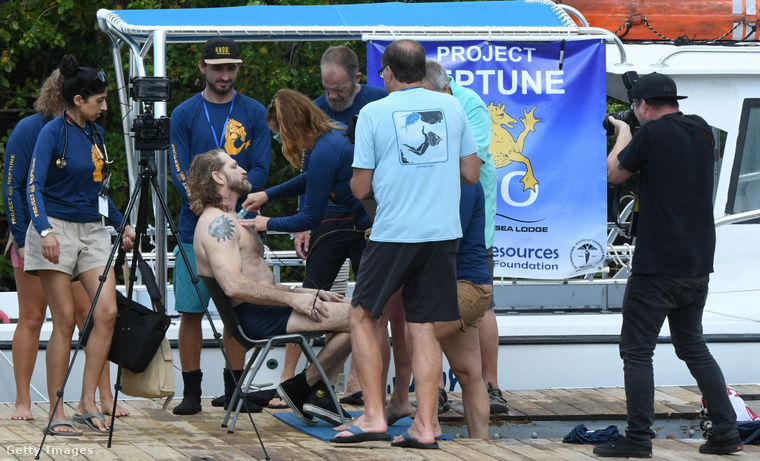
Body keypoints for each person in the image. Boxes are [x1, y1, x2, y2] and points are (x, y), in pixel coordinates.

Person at [332, 39, 480, 448]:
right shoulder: (452, 106)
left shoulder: (374, 112)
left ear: (389, 73)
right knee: (424, 328)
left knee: (362, 315)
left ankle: (375, 415)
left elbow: (360, 185)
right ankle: (425, 426)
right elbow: (471, 172)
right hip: (443, 232)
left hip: (395, 231)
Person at [593, 72, 742, 457]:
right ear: (674, 101)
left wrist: (624, 132)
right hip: (696, 263)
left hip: (658, 265)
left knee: (637, 350)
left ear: (642, 106)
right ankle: (726, 433)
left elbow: (614, 173)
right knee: (693, 345)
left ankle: (638, 439)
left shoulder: (650, 133)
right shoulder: (703, 131)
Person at [186, 148, 352, 426]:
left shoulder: (228, 218)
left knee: (361, 310)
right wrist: (292, 301)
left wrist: (301, 293)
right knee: (363, 316)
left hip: (268, 310)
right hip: (257, 318)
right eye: (234, 166)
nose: (243, 170)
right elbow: (233, 285)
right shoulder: (217, 223)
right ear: (218, 177)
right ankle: (305, 388)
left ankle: (307, 387)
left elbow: (259, 281)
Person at [3, 70, 130, 422]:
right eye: (100, 100)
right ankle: (30, 404)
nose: (105, 106)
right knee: (37, 318)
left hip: (89, 229)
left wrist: (121, 222)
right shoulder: (38, 130)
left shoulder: (95, 133)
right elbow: (19, 186)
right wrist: (34, 234)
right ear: (74, 97)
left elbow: (99, 188)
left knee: (100, 313)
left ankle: (90, 400)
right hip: (44, 231)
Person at [169, 37, 271, 415]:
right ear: (202, 68)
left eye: (230, 68)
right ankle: (192, 392)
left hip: (239, 224)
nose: (224, 75)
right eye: (217, 68)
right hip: (192, 225)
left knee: (236, 311)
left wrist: (236, 200)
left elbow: (259, 166)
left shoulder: (254, 111)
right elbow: (177, 167)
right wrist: (199, 199)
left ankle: (234, 390)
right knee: (190, 311)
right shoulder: (184, 113)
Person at [421, 59, 508, 414]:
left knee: (480, 304)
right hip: (433, 222)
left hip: (471, 218)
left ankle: (492, 385)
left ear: (444, 91)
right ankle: (436, 389)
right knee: (430, 303)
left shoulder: (467, 102)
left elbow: (468, 160)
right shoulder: (428, 100)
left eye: (429, 100)